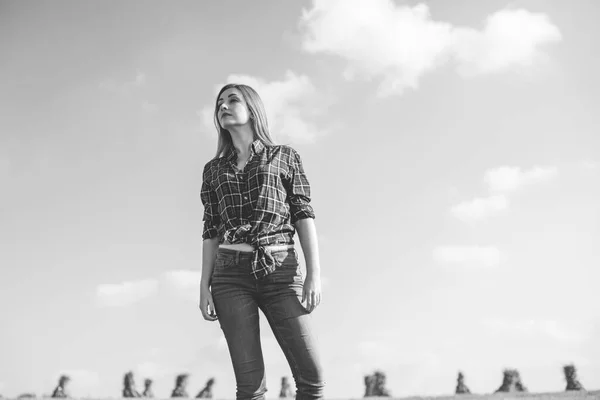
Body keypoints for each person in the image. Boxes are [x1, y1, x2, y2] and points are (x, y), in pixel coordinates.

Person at [199, 83, 325, 400]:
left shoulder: (284, 157)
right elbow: (211, 229)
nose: (223, 107)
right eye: (219, 104)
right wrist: (204, 284)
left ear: (252, 108)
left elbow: (303, 214)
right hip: (229, 277)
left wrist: (314, 273)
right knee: (250, 388)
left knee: (312, 378)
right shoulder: (213, 170)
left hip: (281, 273)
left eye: (232, 100)